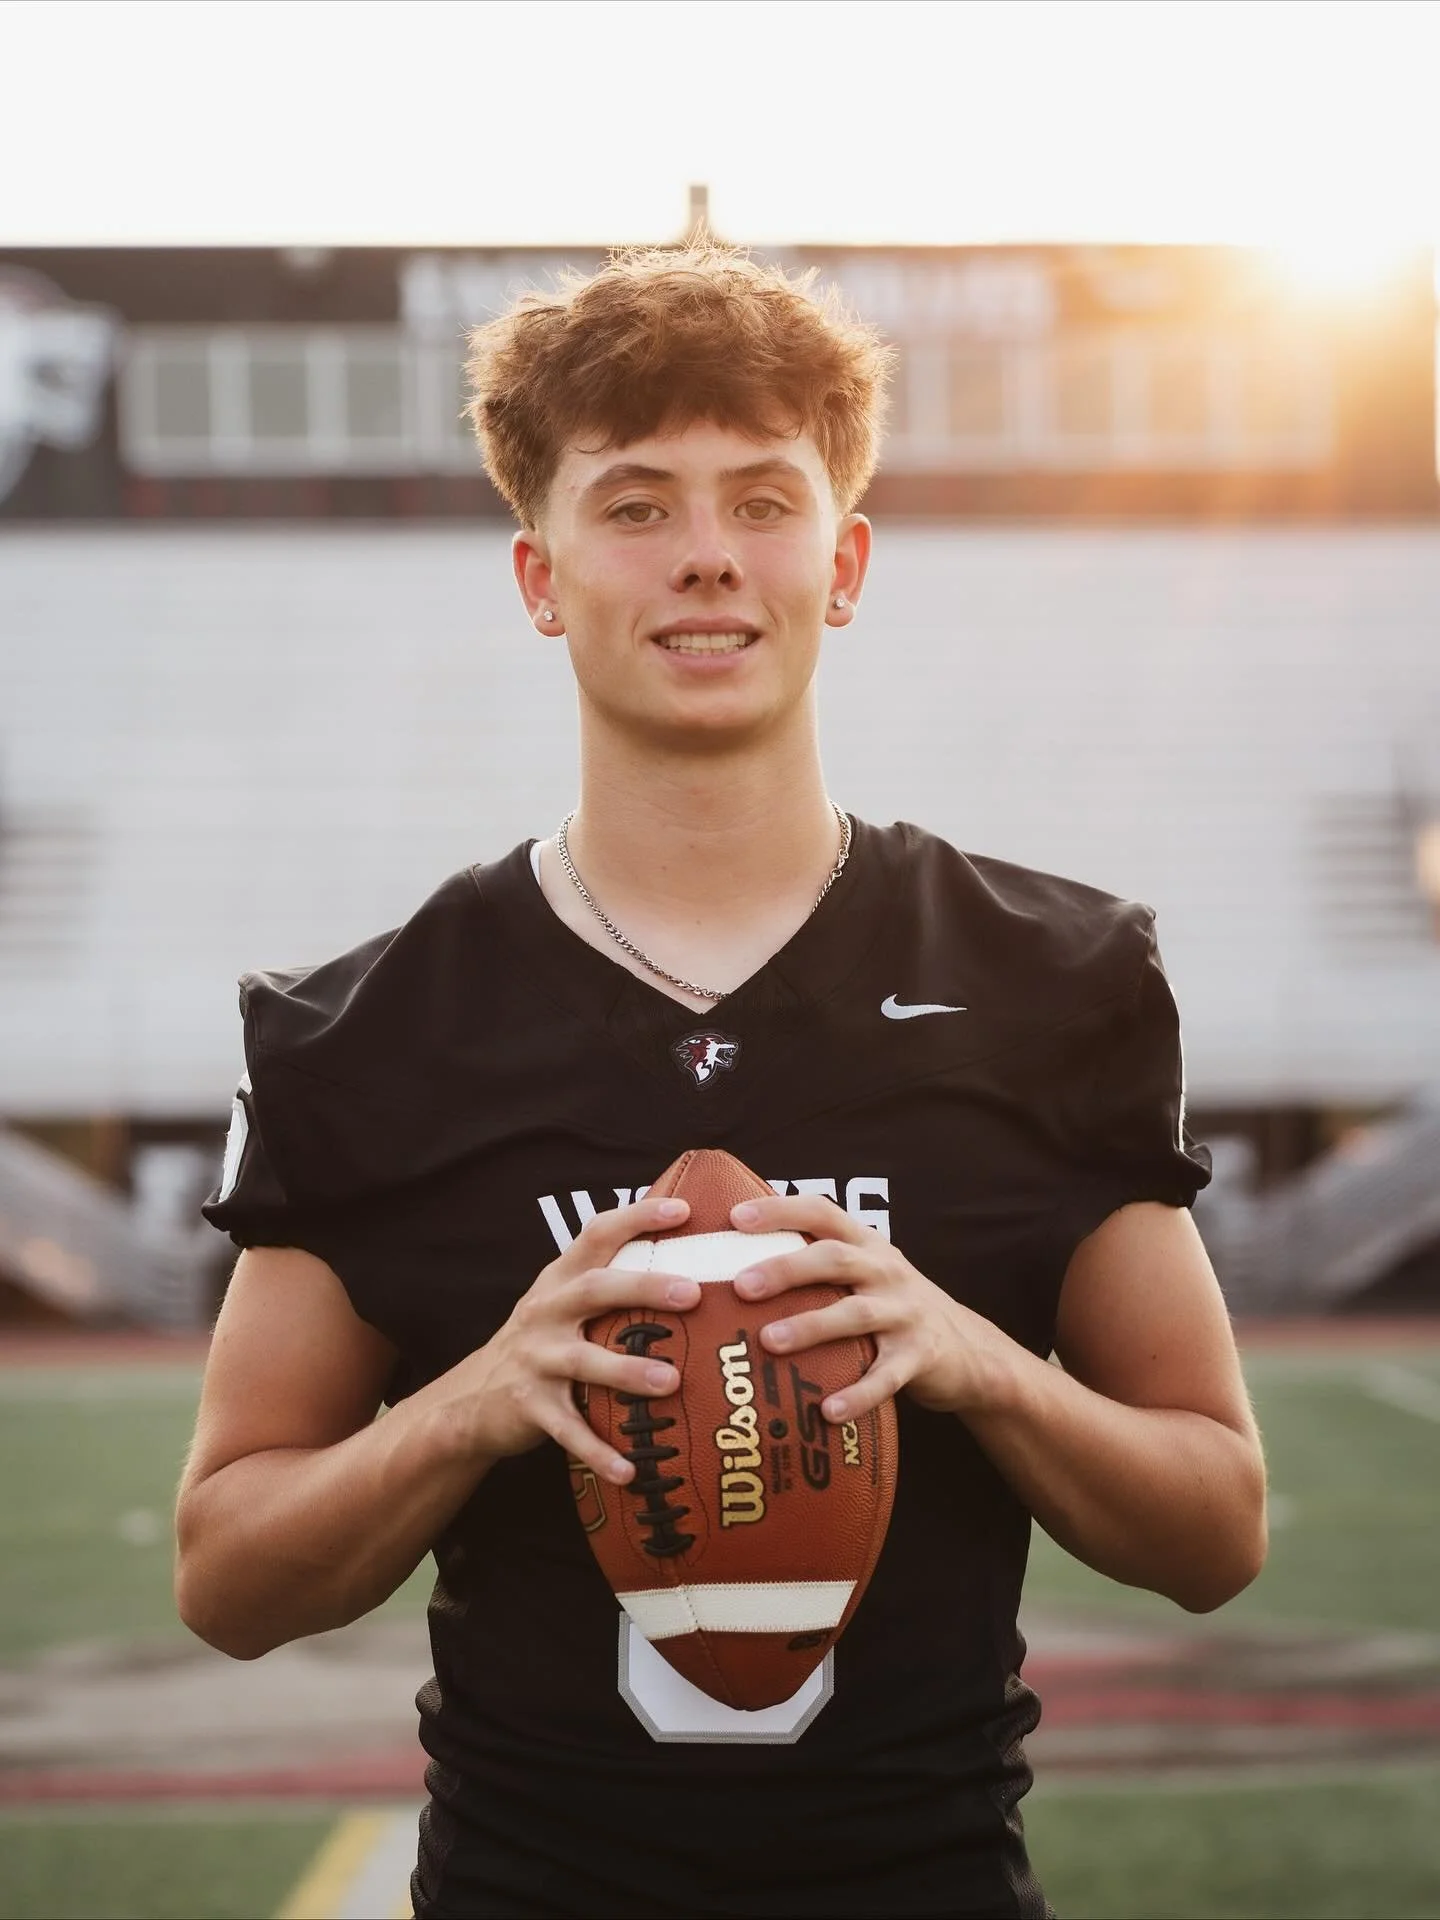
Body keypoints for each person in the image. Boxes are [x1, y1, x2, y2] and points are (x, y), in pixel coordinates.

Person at [180, 244, 1267, 1920]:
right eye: (635, 506)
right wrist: (473, 1403)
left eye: (761, 501)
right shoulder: (373, 1030)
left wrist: (978, 1363)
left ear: (843, 561)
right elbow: (228, 1575)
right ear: (542, 577)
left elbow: (1216, 1528)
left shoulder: (1051, 978)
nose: (705, 558)